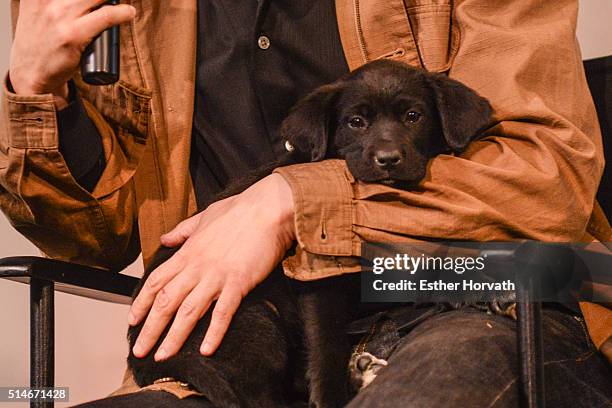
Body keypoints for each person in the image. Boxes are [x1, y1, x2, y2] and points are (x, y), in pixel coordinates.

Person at [1, 0, 611, 406]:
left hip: (474, 295)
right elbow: (93, 239)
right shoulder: (131, 9)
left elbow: (548, 169)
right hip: (240, 339)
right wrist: (38, 91)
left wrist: (290, 199)